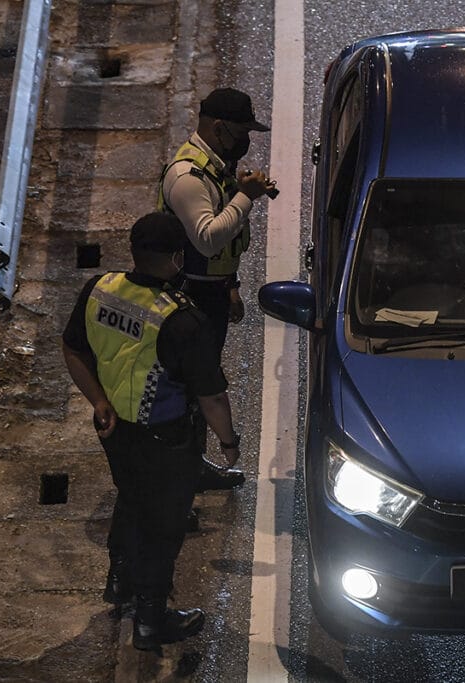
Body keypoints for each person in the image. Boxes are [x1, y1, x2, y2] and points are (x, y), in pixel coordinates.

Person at [62, 212, 243, 650]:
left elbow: (72, 348)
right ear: (178, 258)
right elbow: (212, 398)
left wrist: (99, 402)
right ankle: (150, 620)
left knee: (131, 497)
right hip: (166, 440)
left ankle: (120, 580)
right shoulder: (182, 321)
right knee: (164, 529)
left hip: (114, 433)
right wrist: (228, 442)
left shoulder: (99, 289)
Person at [157, 87, 277, 491]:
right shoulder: (188, 177)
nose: (245, 140)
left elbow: (221, 251)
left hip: (210, 291)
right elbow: (208, 238)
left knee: (197, 384)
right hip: (188, 295)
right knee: (194, 385)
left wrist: (231, 287)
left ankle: (194, 465)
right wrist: (246, 196)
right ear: (220, 127)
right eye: (241, 131)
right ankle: (179, 477)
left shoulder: (216, 165)